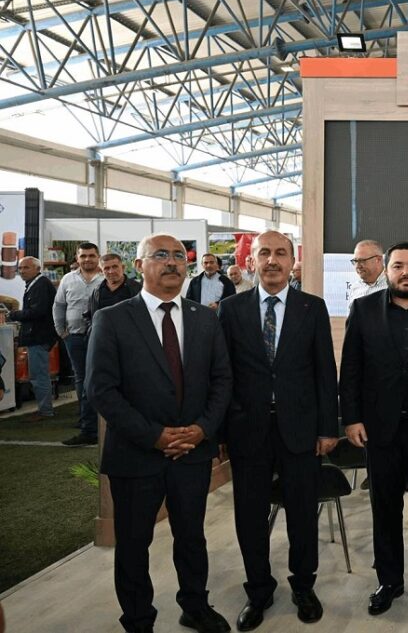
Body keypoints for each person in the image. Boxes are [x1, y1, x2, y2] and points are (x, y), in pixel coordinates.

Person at [86, 233, 232, 633]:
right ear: (139, 265)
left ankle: (195, 606)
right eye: (161, 255)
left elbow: (222, 380)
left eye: (179, 256)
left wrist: (201, 430)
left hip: (192, 453)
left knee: (192, 537)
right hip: (136, 455)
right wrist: (155, 435)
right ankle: (138, 619)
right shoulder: (113, 319)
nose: (172, 263)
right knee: (134, 545)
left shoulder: (205, 318)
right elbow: (101, 390)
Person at [218, 230, 339, 631]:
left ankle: (303, 587)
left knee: (302, 514)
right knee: (249, 516)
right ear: (251, 261)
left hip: (300, 429)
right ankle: (259, 591)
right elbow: (222, 374)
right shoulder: (231, 309)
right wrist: (222, 432)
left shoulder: (312, 308)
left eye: (281, 253)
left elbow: (325, 372)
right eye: (264, 253)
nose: (272, 260)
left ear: (292, 262)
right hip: (247, 429)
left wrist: (327, 428)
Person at [340, 241, 408, 616]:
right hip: (379, 431)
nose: (406, 272)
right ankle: (389, 581)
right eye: (398, 265)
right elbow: (351, 368)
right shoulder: (363, 309)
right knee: (384, 509)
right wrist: (351, 418)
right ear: (386, 270)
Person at [54, 241, 103, 446]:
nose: (87, 259)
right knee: (81, 379)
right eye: (83, 256)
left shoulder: (106, 278)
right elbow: (59, 305)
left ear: (98, 257)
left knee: (101, 379)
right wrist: (61, 331)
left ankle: (100, 423)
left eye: (91, 255)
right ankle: (87, 424)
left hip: (101, 339)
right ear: (77, 258)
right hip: (74, 337)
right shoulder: (68, 279)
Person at [9, 257, 58, 421]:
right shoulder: (36, 284)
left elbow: (38, 311)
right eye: (20, 268)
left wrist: (14, 315)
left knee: (39, 376)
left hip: (38, 336)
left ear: (37, 269)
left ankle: (45, 411)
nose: (22, 271)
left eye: (26, 267)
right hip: (37, 336)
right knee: (39, 375)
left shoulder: (40, 285)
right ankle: (45, 409)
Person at [87, 254, 142, 328]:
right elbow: (89, 315)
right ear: (101, 271)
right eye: (106, 268)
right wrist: (93, 329)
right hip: (104, 333)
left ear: (123, 267)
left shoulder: (137, 288)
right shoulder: (97, 291)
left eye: (115, 267)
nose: (111, 271)